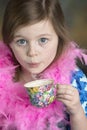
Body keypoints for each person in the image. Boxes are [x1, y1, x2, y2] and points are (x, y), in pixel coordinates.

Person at [0, 0, 87, 129]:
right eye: (21, 41)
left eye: (43, 40)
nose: (32, 52)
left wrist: (76, 111)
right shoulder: (2, 78)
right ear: (9, 43)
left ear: (59, 37)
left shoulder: (74, 80)